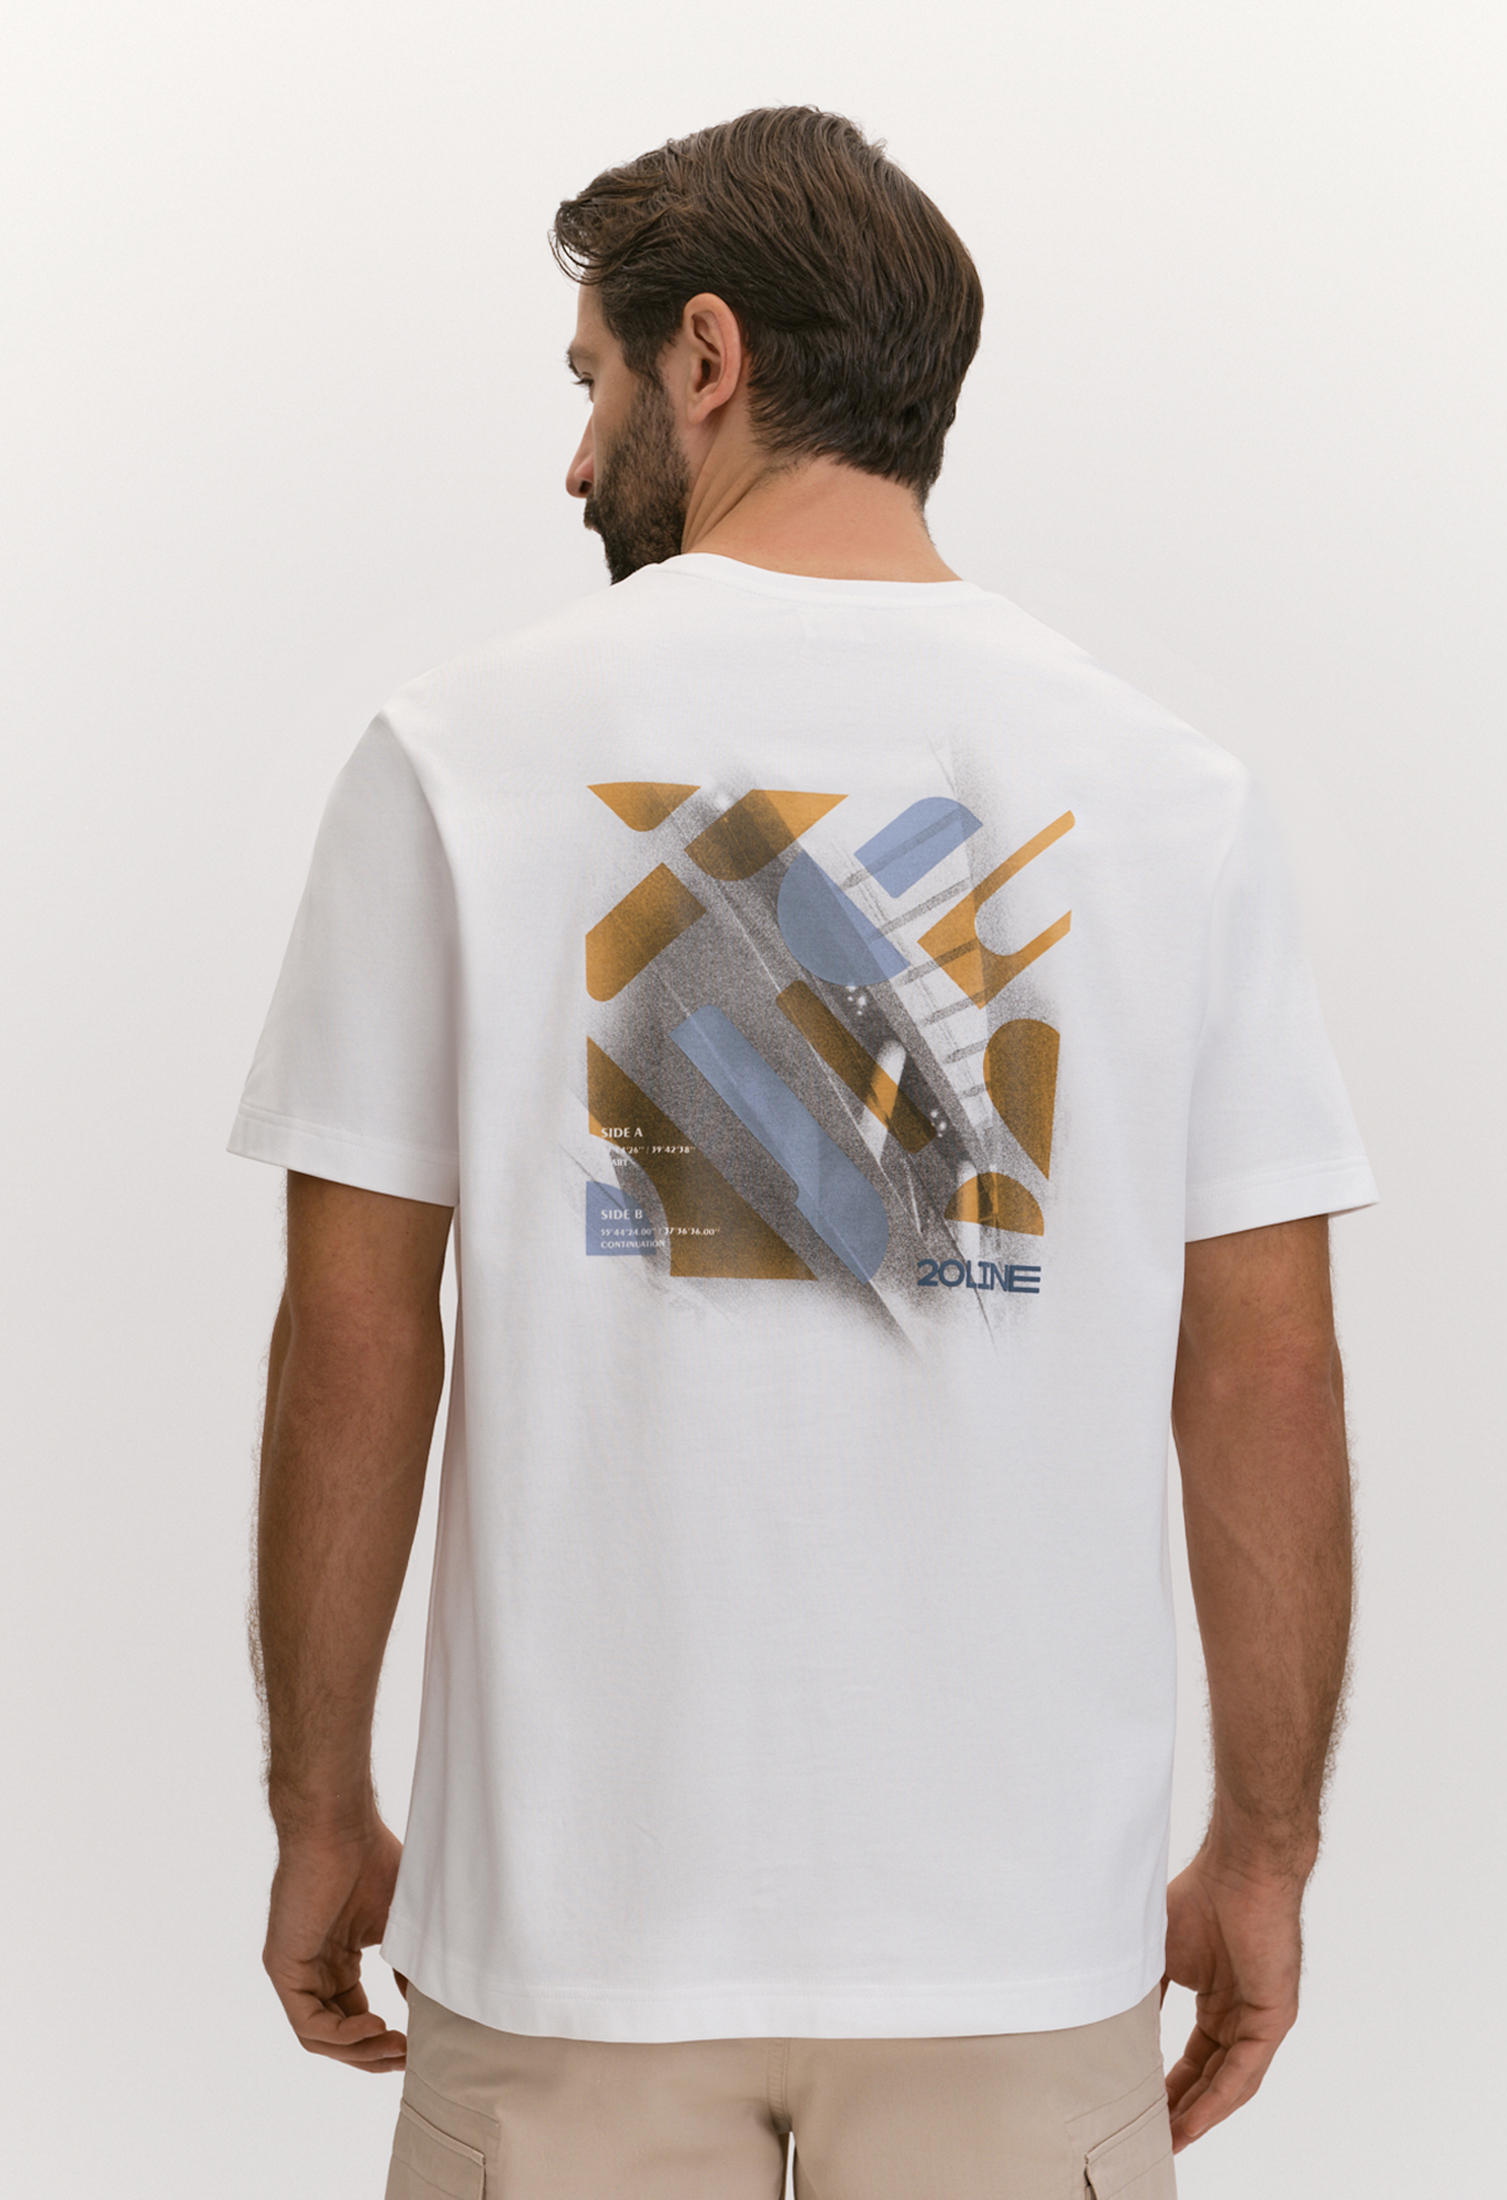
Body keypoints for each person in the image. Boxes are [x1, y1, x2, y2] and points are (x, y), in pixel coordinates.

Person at [228, 105, 1378, 2200]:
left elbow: (357, 1334)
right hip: (1019, 1946)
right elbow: (1266, 1369)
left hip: (570, 1940)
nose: (577, 460)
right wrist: (1267, 1851)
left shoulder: (456, 757)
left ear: (710, 358)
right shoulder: (1169, 796)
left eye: (592, 380)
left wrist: (320, 1808)